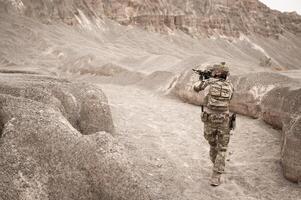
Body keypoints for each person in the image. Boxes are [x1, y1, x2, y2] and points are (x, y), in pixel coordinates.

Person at [193, 62, 234, 186]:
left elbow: (195, 88)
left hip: (210, 118)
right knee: (222, 148)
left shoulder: (208, 82)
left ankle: (216, 169)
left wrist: (203, 79)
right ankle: (217, 171)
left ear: (216, 73)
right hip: (224, 120)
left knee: (213, 144)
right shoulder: (230, 85)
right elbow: (231, 98)